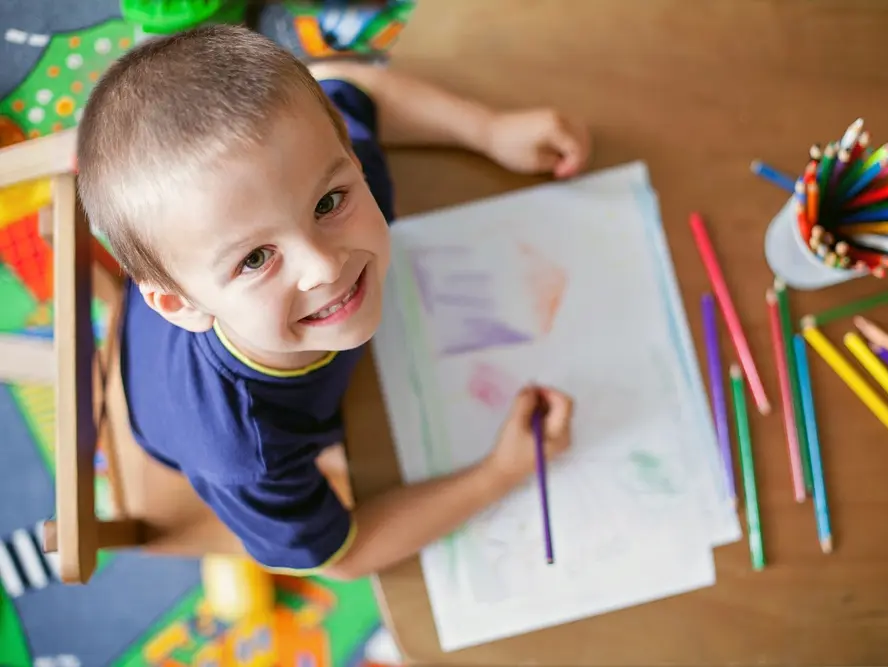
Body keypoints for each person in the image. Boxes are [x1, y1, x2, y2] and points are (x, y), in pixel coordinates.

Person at [76, 24, 589, 579]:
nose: (324, 265)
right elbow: (342, 556)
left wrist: (489, 130)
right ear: (184, 305)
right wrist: (498, 474)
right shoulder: (245, 456)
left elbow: (348, 84)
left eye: (329, 202)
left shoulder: (305, 166)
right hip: (171, 407)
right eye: (254, 260)